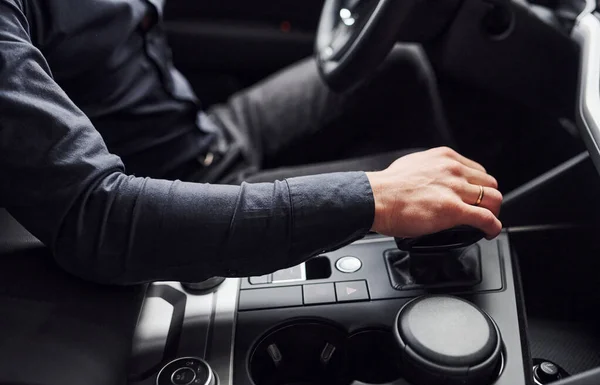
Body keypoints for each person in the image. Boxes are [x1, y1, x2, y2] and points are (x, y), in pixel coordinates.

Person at [0, 0, 503, 285]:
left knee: (401, 67)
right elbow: (96, 217)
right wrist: (376, 196)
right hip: (174, 183)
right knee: (434, 187)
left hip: (207, 127)